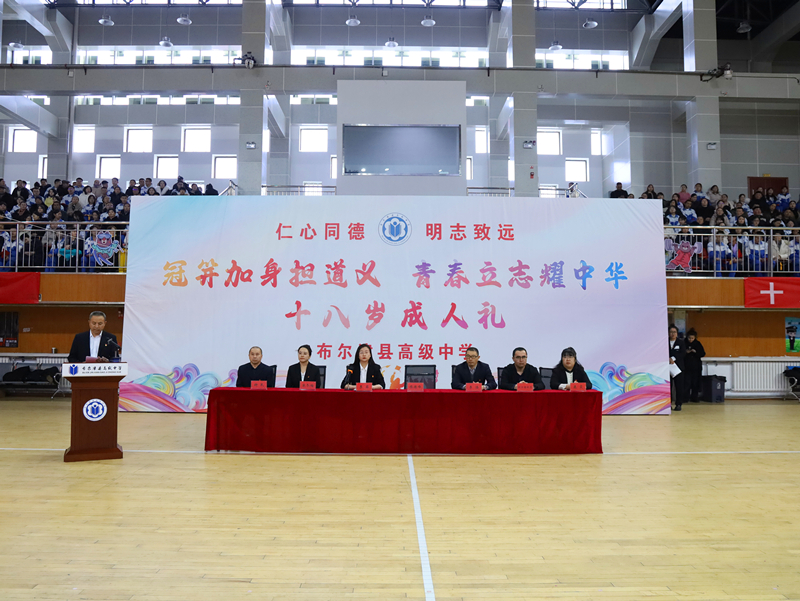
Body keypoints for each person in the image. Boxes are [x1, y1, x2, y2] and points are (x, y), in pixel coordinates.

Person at [684, 329, 706, 403]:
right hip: (686, 366)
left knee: (695, 383)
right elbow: (681, 353)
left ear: (695, 338)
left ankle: (694, 397)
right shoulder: (684, 343)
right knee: (686, 383)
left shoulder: (698, 344)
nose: (690, 340)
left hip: (696, 367)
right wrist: (686, 352)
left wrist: (695, 352)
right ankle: (685, 397)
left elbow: (703, 353)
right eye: (689, 338)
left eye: (692, 338)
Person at [668, 325, 686, 411]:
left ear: (677, 333)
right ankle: (668, 404)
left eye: (674, 332)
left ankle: (678, 404)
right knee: (668, 387)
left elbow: (683, 353)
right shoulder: (665, 342)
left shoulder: (681, 342)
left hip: (678, 368)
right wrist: (668, 359)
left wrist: (673, 358)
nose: (673, 334)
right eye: (671, 332)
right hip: (667, 367)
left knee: (679, 387)